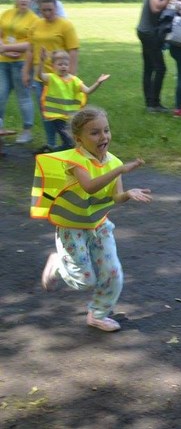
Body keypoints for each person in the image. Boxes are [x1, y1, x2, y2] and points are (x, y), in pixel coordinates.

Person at [34, 106, 152, 332]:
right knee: (83, 280)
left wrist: (128, 194)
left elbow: (116, 197)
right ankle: (57, 263)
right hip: (71, 228)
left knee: (113, 273)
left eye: (106, 130)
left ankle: (97, 314)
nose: (103, 136)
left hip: (99, 226)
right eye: (95, 132)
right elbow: (89, 187)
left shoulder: (114, 162)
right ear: (79, 139)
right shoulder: (75, 161)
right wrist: (119, 171)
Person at [21, 0, 80, 153]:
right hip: (41, 77)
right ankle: (51, 144)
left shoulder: (65, 25)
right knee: (46, 113)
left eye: (50, 10)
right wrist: (26, 71)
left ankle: (68, 143)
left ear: (56, 8)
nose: (47, 13)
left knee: (63, 113)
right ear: (39, 9)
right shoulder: (36, 25)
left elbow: (73, 51)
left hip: (60, 78)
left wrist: (71, 75)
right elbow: (30, 50)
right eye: (44, 10)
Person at [35, 50, 109, 150]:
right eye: (60, 64)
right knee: (70, 143)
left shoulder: (75, 80)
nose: (63, 67)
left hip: (70, 118)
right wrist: (41, 61)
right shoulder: (51, 78)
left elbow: (87, 91)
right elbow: (39, 75)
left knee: (70, 143)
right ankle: (52, 151)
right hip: (56, 117)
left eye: (66, 64)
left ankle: (52, 150)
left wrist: (98, 83)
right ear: (53, 66)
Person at [0, 0, 38, 144]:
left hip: (22, 63)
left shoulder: (34, 19)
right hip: (3, 61)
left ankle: (27, 131)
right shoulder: (6, 14)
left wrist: (6, 48)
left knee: (23, 97)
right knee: (0, 94)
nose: (23, 0)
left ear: (31, 0)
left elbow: (31, 43)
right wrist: (5, 50)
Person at [136, 0, 169, 113]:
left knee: (149, 68)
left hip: (149, 33)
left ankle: (151, 103)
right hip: (148, 34)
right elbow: (155, 8)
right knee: (160, 68)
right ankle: (154, 103)